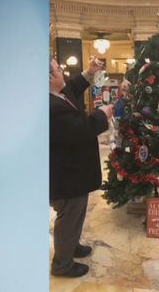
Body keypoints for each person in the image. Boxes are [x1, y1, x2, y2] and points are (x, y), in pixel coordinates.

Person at [49, 57, 112, 277]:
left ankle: (71, 245)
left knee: (76, 214)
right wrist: (101, 115)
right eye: (58, 71)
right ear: (49, 78)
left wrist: (89, 72)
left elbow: (72, 87)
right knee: (69, 216)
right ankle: (62, 265)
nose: (63, 74)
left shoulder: (56, 95)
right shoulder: (50, 107)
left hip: (72, 172)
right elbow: (79, 130)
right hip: (64, 177)